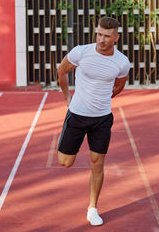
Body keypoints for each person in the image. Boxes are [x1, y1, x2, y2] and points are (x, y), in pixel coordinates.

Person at [57, 16, 130, 226]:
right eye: (99, 34)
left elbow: (120, 84)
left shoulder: (121, 62)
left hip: (102, 119)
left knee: (97, 163)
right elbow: (62, 71)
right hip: (77, 115)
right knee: (65, 162)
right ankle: (67, 142)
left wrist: (106, 98)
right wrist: (66, 97)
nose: (101, 39)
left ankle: (92, 208)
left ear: (116, 37)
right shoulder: (81, 52)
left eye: (107, 36)